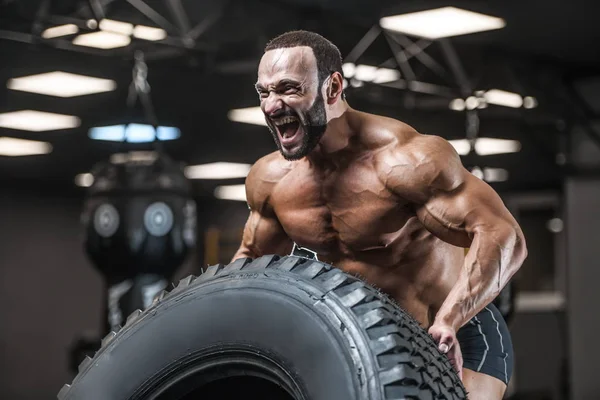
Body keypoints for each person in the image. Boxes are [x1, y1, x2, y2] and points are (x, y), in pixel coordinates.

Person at [232, 30, 527, 399]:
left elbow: (503, 236)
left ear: (333, 87)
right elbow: (249, 266)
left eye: (289, 89)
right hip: (363, 336)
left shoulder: (404, 161)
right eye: (264, 92)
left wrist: (450, 319)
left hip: (454, 329)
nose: (272, 106)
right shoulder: (271, 180)